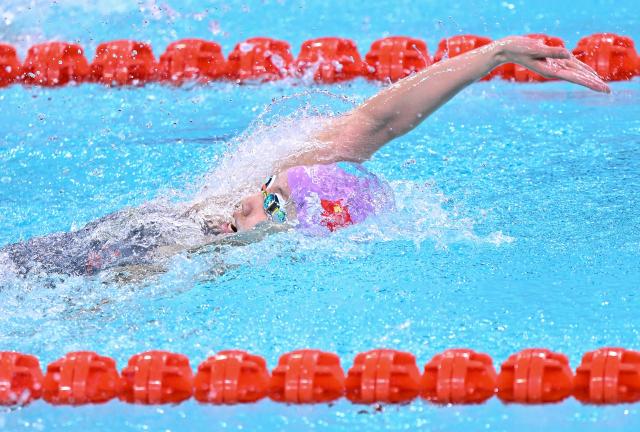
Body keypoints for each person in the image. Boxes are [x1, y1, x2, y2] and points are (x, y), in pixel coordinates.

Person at [0, 36, 609, 277]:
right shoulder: (247, 202)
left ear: (301, 232)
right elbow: (378, 121)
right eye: (265, 186)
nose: (247, 203)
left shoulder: (206, 264)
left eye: (271, 205)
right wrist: (495, 55)